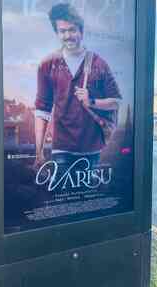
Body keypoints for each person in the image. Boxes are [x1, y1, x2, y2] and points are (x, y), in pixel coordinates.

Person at [34, 3, 122, 174]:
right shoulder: (47, 65)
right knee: (60, 196)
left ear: (81, 31)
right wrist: (38, 152)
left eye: (72, 30)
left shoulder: (99, 63)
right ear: (57, 33)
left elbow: (116, 102)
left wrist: (92, 101)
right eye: (62, 31)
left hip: (92, 149)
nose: (68, 35)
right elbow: (42, 110)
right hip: (61, 149)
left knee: (90, 198)